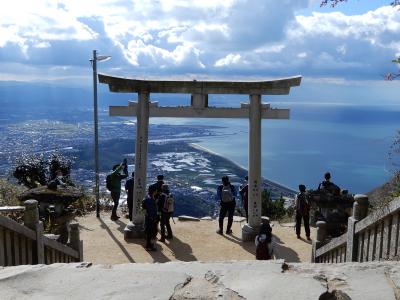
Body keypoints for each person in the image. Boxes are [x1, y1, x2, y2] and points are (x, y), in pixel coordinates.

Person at [143, 184, 158, 251]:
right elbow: (152, 210)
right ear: (154, 191)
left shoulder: (147, 197)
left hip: (147, 217)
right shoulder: (150, 199)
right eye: (156, 190)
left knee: (149, 232)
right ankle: (148, 246)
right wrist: (154, 218)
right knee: (150, 232)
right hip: (151, 218)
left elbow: (144, 208)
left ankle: (149, 244)